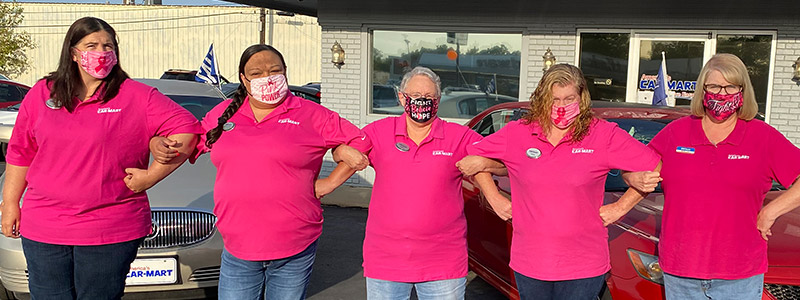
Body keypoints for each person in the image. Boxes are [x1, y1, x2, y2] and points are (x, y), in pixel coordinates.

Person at [0, 17, 201, 299]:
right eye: (91, 45)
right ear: (73, 52)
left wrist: (151, 175)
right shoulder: (43, 93)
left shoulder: (135, 96)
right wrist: (10, 203)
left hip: (109, 230)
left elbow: (188, 129)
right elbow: (21, 151)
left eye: (108, 45)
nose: (101, 52)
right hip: (45, 227)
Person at [151, 44, 369, 300]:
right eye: (256, 72)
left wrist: (331, 179)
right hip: (238, 248)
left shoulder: (311, 114)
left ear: (285, 72)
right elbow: (187, 144)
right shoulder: (221, 116)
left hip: (294, 246)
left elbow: (361, 141)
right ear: (243, 79)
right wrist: (156, 141)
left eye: (274, 70)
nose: (267, 77)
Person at [461, 64, 661, 300]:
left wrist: (621, 206)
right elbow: (470, 157)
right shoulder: (518, 133)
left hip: (583, 266)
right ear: (542, 99)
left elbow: (654, 164)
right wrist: (494, 197)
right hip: (531, 263)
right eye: (554, 99)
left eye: (569, 99)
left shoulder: (601, 134)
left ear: (581, 97)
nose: (562, 107)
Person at [626, 53, 800, 300]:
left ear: (743, 90)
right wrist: (629, 177)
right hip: (681, 272)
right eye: (714, 86)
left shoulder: (763, 137)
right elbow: (637, 167)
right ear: (702, 90)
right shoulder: (677, 133)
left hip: (739, 276)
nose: (722, 93)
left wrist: (771, 212)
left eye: (730, 86)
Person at [332, 66, 503, 300]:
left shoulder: (458, 136)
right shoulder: (379, 132)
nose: (422, 102)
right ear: (402, 97)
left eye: (429, 97)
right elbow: (344, 150)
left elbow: (502, 163)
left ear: (438, 100)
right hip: (386, 261)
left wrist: (482, 163)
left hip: (443, 263)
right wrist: (340, 150)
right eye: (416, 96)